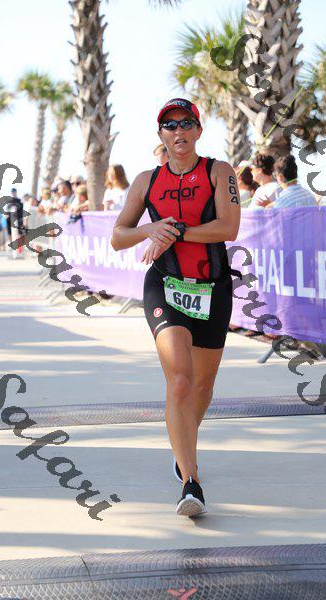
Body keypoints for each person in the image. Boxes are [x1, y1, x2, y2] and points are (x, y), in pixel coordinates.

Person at [111, 97, 242, 517]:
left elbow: (228, 227)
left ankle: (182, 442)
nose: (178, 131)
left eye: (186, 123)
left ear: (198, 131)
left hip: (213, 287)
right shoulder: (146, 180)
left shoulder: (219, 171)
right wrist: (149, 228)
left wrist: (176, 231)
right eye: (170, 125)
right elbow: (118, 236)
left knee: (202, 386)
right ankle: (191, 481)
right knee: (181, 380)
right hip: (165, 286)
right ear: (161, 135)